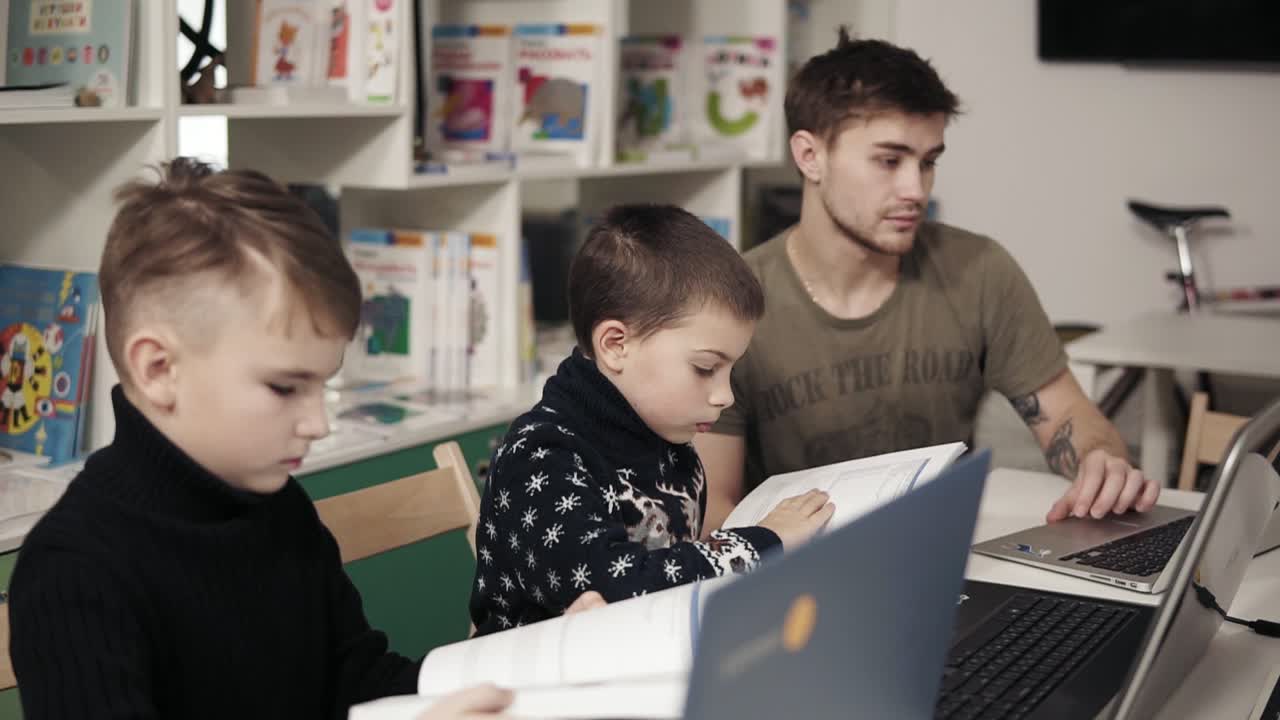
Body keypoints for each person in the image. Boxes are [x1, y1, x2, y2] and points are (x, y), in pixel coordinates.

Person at [7, 158, 602, 720]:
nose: (317, 422)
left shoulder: (275, 505)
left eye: (322, 385)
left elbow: (357, 679)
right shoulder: (75, 573)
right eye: (285, 387)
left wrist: (534, 655)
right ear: (159, 369)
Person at [695, 31, 1160, 536]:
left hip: (951, 557)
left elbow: (1067, 412)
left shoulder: (979, 268)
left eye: (929, 161)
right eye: (889, 161)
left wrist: (1101, 460)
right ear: (810, 156)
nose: (916, 189)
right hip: (804, 577)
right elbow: (715, 512)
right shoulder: (730, 304)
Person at [469, 204, 834, 635]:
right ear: (616, 345)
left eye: (729, 370)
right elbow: (622, 588)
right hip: (526, 691)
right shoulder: (540, 455)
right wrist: (765, 543)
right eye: (704, 368)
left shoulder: (667, 438)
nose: (724, 395)